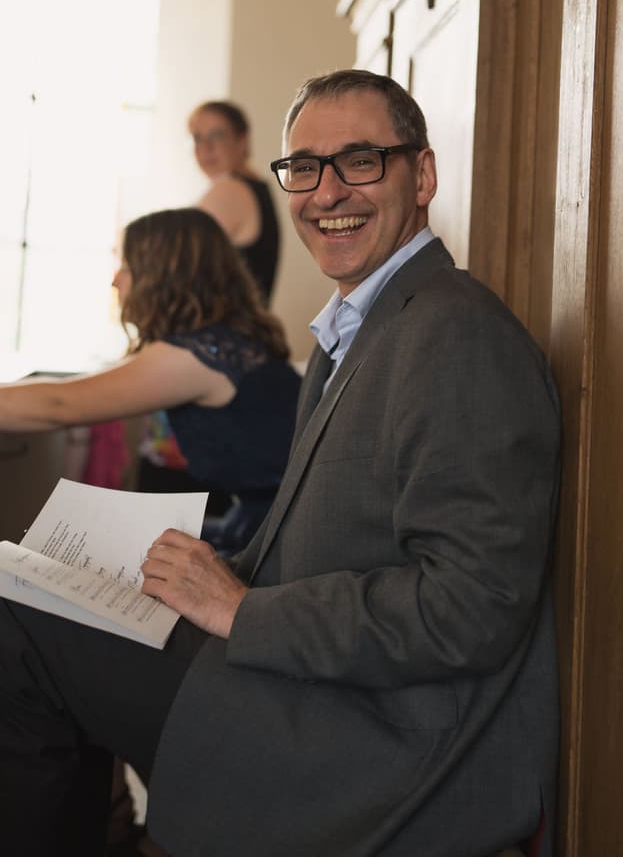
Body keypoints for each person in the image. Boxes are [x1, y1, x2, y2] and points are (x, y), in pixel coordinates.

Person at [0, 71, 561, 857]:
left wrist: (239, 608)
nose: (327, 192)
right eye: (304, 167)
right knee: (33, 589)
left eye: (360, 160)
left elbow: (472, 608)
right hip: (305, 676)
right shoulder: (366, 326)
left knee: (13, 626)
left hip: (369, 741)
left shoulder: (456, 333)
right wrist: (192, 577)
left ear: (423, 175)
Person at [0, 207, 300, 554]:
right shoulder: (230, 341)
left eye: (126, 267)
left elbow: (60, 403)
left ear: (160, 276)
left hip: (279, 533)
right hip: (259, 518)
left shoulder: (197, 355)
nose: (115, 280)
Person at [189, 99, 280, 303]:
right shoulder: (254, 187)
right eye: (197, 138)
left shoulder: (230, 190)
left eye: (217, 135)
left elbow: (179, 268)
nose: (206, 147)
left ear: (242, 141)